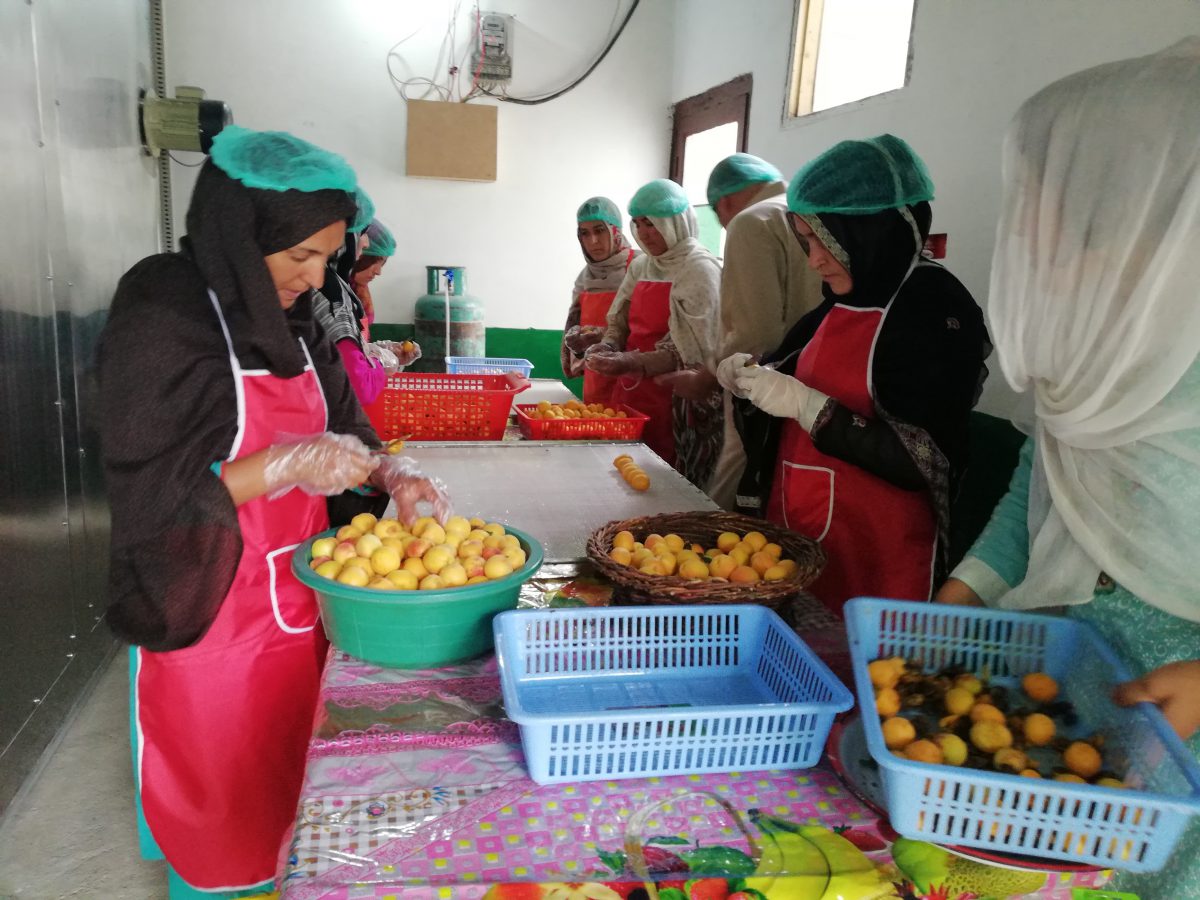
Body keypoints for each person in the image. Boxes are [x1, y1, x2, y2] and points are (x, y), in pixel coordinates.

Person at [97, 125, 449, 898]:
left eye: (328, 256)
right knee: (224, 804)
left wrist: (390, 470)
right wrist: (282, 464)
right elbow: (149, 492)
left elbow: (347, 421)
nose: (316, 276)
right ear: (241, 233)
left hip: (298, 600)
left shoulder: (294, 315)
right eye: (300, 255)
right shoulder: (163, 311)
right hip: (205, 603)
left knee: (294, 780)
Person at [936, 39, 1200, 898]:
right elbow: (1035, 495)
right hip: (1072, 695)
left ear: (1153, 222)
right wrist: (960, 595)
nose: (1031, 247)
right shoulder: (1088, 359)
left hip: (1182, 737)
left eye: (1060, 224)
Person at [725, 135, 990, 616]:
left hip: (880, 550)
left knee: (864, 655)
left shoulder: (933, 308)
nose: (814, 260)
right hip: (801, 530)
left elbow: (926, 459)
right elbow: (787, 370)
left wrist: (805, 405)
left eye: (826, 241)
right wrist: (750, 380)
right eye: (807, 241)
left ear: (872, 231)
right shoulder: (839, 301)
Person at [661, 153, 824, 509]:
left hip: (765, 386)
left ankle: (703, 537)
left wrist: (707, 377)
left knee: (736, 482)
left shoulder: (751, 222)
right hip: (820, 383)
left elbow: (754, 334)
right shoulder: (811, 211)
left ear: (724, 202)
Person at [585, 179, 723, 488]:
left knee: (666, 484)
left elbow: (695, 349)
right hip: (632, 394)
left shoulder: (699, 268)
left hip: (676, 397)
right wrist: (608, 346)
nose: (644, 233)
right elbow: (619, 319)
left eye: (652, 223)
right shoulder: (642, 266)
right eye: (638, 224)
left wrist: (633, 362)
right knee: (623, 477)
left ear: (675, 222)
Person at [313, 212, 418, 408]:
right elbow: (358, 382)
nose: (378, 271)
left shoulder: (349, 293)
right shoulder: (331, 295)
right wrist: (382, 362)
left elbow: (346, 350)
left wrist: (380, 352)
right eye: (375, 261)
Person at [560, 196, 638, 406]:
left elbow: (651, 333)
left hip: (634, 381)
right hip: (596, 382)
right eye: (585, 233)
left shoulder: (640, 267)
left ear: (615, 231)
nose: (593, 241)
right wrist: (576, 341)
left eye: (600, 230)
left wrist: (605, 335)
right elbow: (575, 340)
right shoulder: (584, 279)